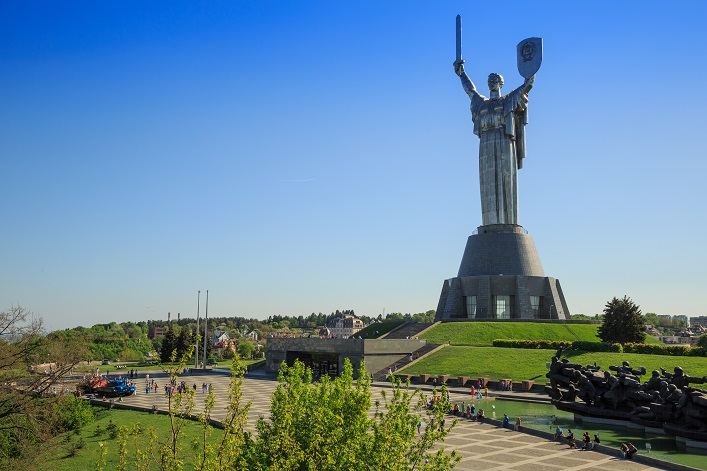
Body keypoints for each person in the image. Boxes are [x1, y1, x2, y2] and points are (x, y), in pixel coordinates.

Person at [453, 59, 535, 226]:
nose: (492, 83)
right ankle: (490, 223)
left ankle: (508, 222)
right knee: (488, 181)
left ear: (501, 83)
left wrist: (530, 73)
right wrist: (462, 74)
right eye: (490, 81)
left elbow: (526, 87)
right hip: (486, 143)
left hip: (504, 139)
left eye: (495, 81)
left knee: (506, 177)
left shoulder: (508, 100)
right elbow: (470, 90)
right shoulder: (481, 103)